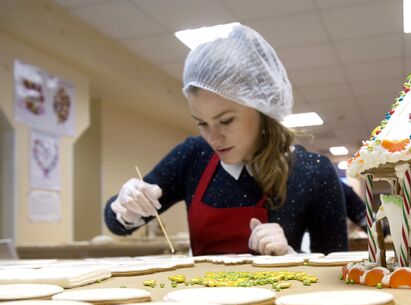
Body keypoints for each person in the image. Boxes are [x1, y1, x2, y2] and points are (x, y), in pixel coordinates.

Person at [104, 25, 348, 256]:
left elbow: (336, 265)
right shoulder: (193, 155)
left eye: (227, 120)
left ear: (261, 108)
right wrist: (127, 204)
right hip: (201, 299)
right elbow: (117, 225)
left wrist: (290, 257)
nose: (213, 138)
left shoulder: (312, 171)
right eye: (202, 123)